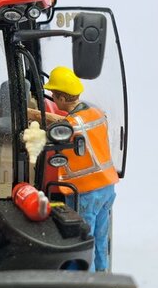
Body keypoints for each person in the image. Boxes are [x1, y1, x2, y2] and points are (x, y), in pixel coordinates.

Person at [43, 66, 119, 272]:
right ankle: (102, 278)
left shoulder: (71, 125)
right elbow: (69, 122)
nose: (52, 98)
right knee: (100, 239)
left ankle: (82, 286)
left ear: (61, 98)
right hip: (106, 186)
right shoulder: (93, 112)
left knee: (81, 241)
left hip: (85, 191)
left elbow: (61, 129)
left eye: (54, 95)